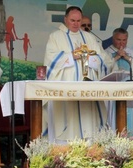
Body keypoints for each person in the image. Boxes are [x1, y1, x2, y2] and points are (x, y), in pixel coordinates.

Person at [44, 6, 113, 142]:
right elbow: (50, 60)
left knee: (88, 119)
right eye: (72, 20)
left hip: (89, 85)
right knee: (69, 117)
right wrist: (70, 56)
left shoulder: (89, 37)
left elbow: (104, 59)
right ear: (65, 19)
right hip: (67, 86)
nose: (76, 24)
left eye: (78, 20)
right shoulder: (56, 37)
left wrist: (89, 58)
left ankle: (90, 147)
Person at [105, 27, 133, 136]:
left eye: (124, 40)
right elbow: (102, 68)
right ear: (113, 38)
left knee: (131, 119)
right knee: (113, 120)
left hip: (130, 92)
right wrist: (116, 58)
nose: (121, 43)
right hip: (113, 94)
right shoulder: (106, 53)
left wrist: (128, 58)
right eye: (119, 40)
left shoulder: (132, 53)